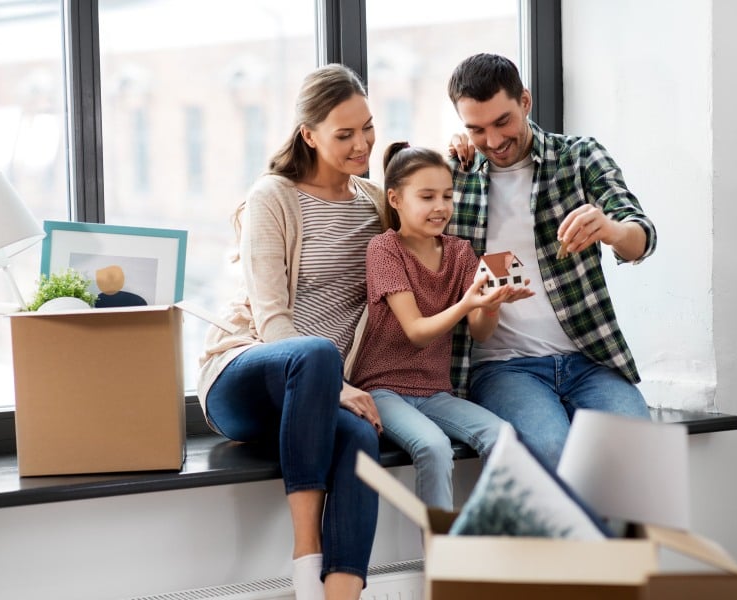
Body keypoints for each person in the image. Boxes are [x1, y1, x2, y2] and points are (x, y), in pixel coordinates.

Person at [197, 64, 386, 600]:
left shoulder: (373, 204)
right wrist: (340, 385)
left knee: (359, 438)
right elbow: (271, 316)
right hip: (245, 377)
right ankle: (306, 558)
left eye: (367, 127)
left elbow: (424, 230)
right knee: (318, 355)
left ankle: (340, 595)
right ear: (309, 135)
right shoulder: (273, 197)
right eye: (344, 134)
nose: (361, 144)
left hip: (318, 396)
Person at [445, 53, 658, 469]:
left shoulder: (579, 158)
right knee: (553, 454)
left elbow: (642, 237)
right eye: (476, 129)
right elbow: (399, 196)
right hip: (504, 369)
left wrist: (611, 230)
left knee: (639, 464)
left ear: (525, 101)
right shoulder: (455, 173)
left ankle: (615, 537)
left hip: (588, 360)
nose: (492, 141)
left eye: (502, 121)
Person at [349, 142, 532, 511]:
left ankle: (494, 545)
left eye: (447, 196)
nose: (440, 207)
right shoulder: (384, 249)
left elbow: (479, 332)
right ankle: (442, 563)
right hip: (383, 389)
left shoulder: (461, 252)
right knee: (432, 446)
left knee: (503, 436)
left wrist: (491, 305)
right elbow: (416, 330)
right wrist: (467, 303)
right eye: (427, 196)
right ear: (396, 199)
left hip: (435, 391)